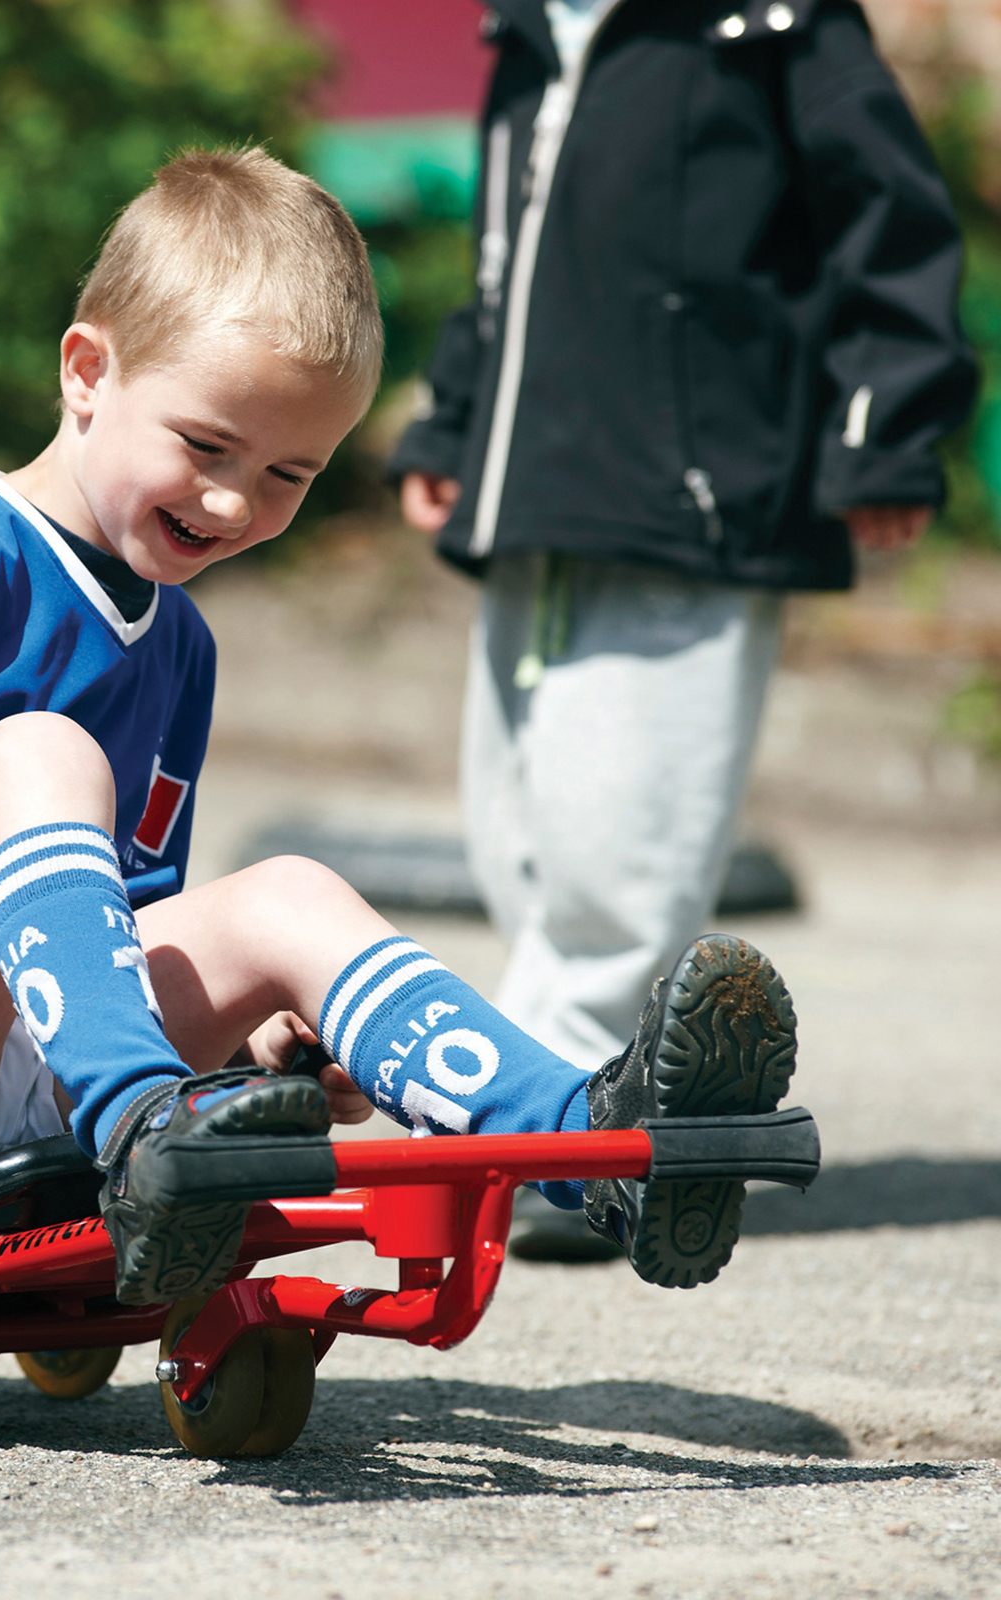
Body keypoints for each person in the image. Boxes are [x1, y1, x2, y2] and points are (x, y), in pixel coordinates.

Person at [0, 148, 799, 1306]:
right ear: (87, 371)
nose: (236, 502)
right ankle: (150, 1136)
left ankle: (590, 1145)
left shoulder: (180, 646)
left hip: (44, 1092)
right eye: (205, 446)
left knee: (288, 892)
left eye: (290, 474)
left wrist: (257, 1041)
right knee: (40, 752)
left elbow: (112, 939)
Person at [393, 4, 973, 1114]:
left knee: (624, 846)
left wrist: (886, 429)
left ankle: (570, 1127)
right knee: (519, 835)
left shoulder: (766, 23)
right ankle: (546, 1102)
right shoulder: (533, 28)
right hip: (536, 492)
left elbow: (890, 217)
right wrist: (451, 417)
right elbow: (502, 260)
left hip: (692, 499)